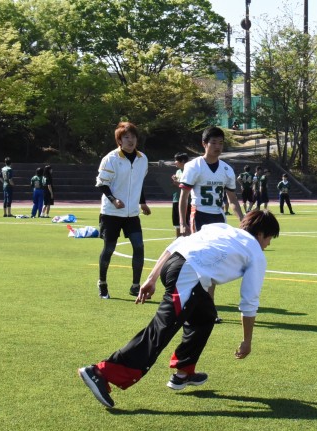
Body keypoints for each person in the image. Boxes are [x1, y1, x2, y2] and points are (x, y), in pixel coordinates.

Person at [77, 210, 280, 409]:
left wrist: (152, 278)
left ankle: (184, 371)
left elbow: (178, 243)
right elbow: (249, 300)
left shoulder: (221, 228)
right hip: (188, 275)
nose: (268, 244)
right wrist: (247, 340)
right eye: (269, 238)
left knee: (205, 316)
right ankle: (101, 372)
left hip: (174, 265)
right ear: (261, 234)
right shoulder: (255, 253)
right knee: (160, 331)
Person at [178, 126, 244, 324]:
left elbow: (232, 200)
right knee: (200, 264)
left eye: (221, 143)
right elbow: (184, 196)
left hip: (218, 219)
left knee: (213, 264)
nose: (217, 147)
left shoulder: (226, 169)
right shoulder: (194, 166)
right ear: (204, 144)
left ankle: (209, 308)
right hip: (199, 216)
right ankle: (191, 305)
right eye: (213, 142)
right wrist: (182, 223)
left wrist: (243, 221)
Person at [95, 122, 151, 299]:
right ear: (119, 140)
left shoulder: (143, 159)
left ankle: (135, 286)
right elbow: (102, 183)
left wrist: (142, 203)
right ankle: (102, 283)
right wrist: (113, 200)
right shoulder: (111, 158)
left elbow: (138, 183)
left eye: (133, 137)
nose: (130, 140)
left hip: (132, 213)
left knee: (139, 247)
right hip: (111, 213)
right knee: (109, 248)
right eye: (126, 137)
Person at [170, 152, 190, 238]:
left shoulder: (189, 172)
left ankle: (187, 239)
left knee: (186, 222)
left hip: (186, 201)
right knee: (177, 223)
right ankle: (178, 240)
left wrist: (178, 183)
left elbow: (189, 187)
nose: (175, 162)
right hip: (176, 199)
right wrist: (174, 181)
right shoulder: (178, 171)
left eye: (176, 160)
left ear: (182, 161)